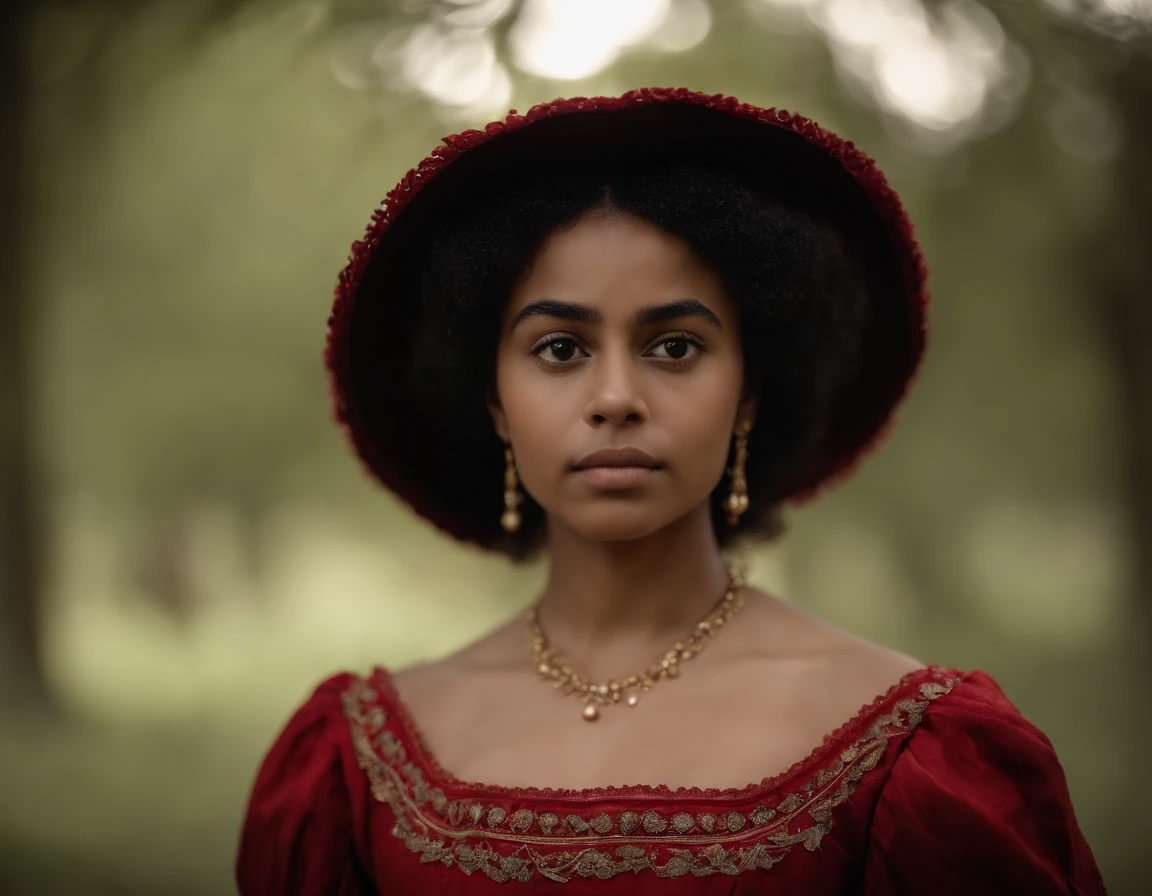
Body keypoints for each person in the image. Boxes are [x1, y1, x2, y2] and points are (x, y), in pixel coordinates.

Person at [234, 86, 1107, 894]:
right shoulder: (352, 763)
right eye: (561, 349)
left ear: (749, 395)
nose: (616, 398)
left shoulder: (921, 753)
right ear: (496, 401)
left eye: (676, 346)